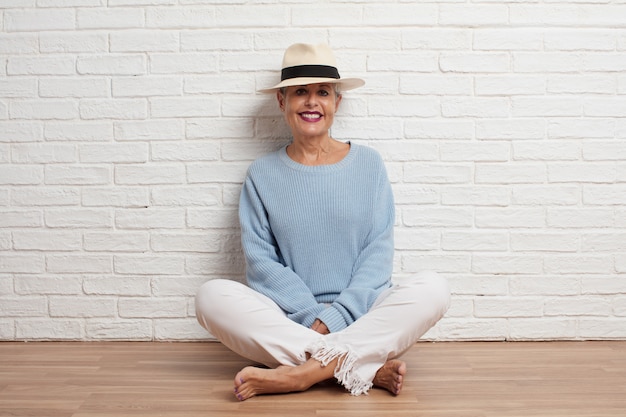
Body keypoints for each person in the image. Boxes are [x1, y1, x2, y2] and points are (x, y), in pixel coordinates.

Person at [195, 43, 450, 401]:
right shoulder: (261, 175)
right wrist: (316, 317)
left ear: (337, 102)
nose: (312, 102)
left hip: (363, 311)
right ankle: (363, 366)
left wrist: (339, 315)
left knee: (433, 288)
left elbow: (378, 252)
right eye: (300, 92)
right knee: (211, 297)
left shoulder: (369, 165)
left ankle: (301, 376)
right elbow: (262, 263)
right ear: (282, 102)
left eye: (323, 93)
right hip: (291, 317)